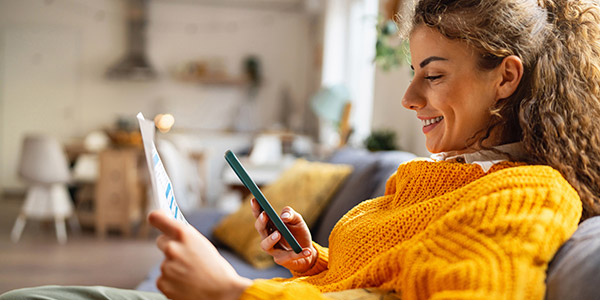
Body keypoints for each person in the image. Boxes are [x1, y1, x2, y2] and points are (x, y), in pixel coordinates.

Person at [3, 0, 600, 299]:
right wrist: (310, 261)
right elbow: (371, 283)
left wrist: (233, 290)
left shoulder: (525, 193)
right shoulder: (429, 178)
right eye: (413, 71)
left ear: (505, 77)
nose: (409, 97)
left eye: (434, 75)